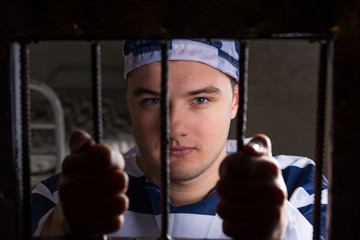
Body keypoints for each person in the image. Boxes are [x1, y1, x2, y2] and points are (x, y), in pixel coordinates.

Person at [31, 39, 327, 239]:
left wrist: (284, 231)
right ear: (130, 104)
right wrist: (58, 230)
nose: (175, 128)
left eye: (199, 99)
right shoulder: (71, 194)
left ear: (235, 101)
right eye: (153, 101)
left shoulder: (298, 186)